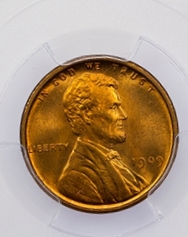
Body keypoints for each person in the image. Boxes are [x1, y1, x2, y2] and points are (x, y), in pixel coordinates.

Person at [58, 72, 148, 206]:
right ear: (87, 114)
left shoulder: (112, 161)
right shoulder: (76, 178)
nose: (123, 115)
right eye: (113, 107)